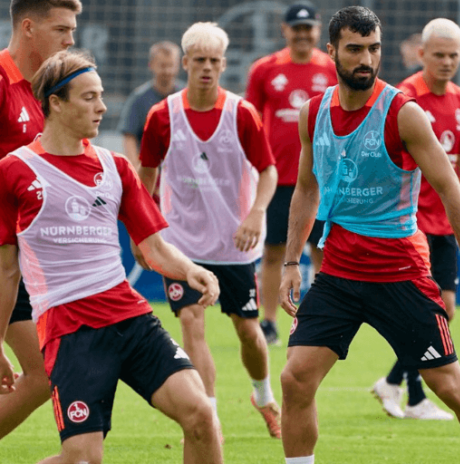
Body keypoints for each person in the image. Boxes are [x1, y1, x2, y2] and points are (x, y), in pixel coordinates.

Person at [278, 7, 460, 464]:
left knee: (450, 386)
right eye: (355, 49)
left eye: (374, 49)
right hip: (339, 274)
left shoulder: (403, 113)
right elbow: (306, 189)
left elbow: (451, 189)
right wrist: (291, 263)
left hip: (399, 273)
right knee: (295, 378)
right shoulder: (313, 114)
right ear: (332, 52)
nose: (367, 59)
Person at [0, 49, 223, 464]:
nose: (102, 106)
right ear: (56, 102)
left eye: (101, 95)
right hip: (71, 333)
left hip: (131, 320)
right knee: (83, 458)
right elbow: (6, 270)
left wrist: (193, 270)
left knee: (202, 415)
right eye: (88, 97)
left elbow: (152, 248)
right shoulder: (14, 171)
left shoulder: (116, 167)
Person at [136, 22, 281, 439]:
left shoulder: (242, 113)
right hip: (180, 243)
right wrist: (142, 230)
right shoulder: (162, 116)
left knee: (249, 333)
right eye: (198, 60)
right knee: (192, 323)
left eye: (214, 61)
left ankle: (262, 393)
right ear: (185, 63)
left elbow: (268, 171)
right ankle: (209, 415)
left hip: (233, 245)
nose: (206, 68)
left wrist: (256, 213)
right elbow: (145, 176)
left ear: (223, 64)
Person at [372, 18, 460, 421]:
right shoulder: (404, 97)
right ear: (422, 54)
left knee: (444, 311)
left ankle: (393, 384)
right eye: (438, 54)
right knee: (428, 311)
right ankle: (413, 396)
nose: (446, 62)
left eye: (453, 55)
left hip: (446, 222)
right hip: (410, 223)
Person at [0, 0, 81, 441]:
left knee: (42, 373)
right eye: (62, 29)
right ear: (28, 27)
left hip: (18, 264)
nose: (71, 40)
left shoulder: (44, 93)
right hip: (3, 262)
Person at [245, 2, 337, 346]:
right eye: (296, 28)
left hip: (324, 178)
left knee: (321, 250)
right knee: (273, 252)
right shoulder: (265, 69)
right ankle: (268, 322)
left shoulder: (330, 68)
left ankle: (322, 317)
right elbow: (251, 122)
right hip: (279, 176)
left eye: (308, 28)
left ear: (317, 31)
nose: (302, 34)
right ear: (285, 31)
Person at [117, 41, 183, 168]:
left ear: (179, 65)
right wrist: (136, 171)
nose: (167, 71)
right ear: (151, 65)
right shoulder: (138, 99)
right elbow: (129, 137)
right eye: (163, 66)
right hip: (149, 172)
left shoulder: (187, 96)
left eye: (171, 65)